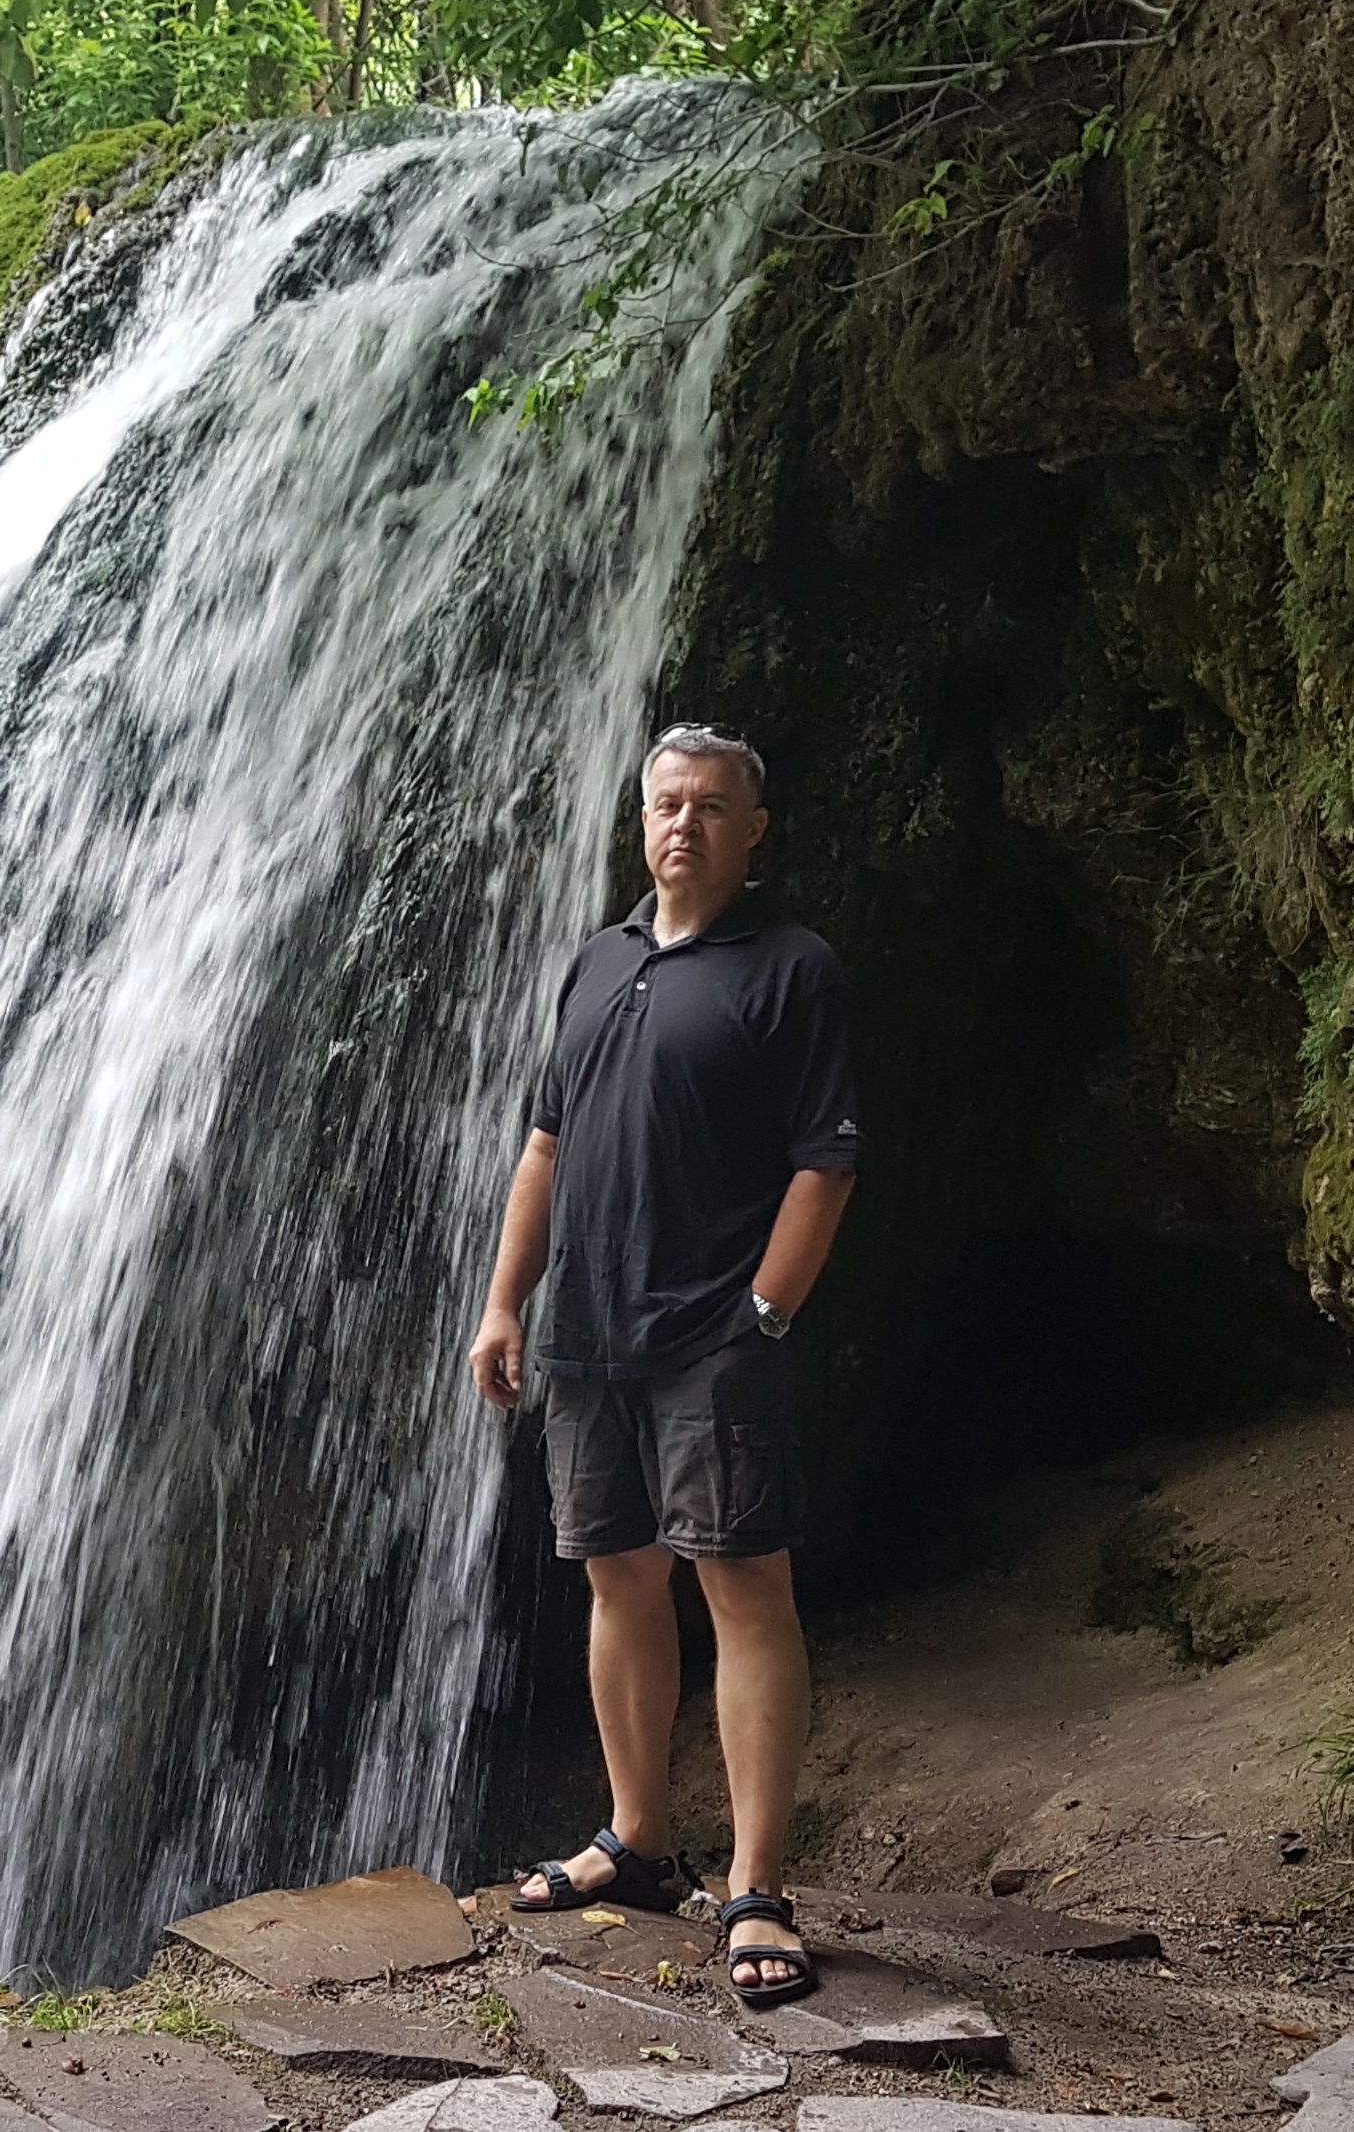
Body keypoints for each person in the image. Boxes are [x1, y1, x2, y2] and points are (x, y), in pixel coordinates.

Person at [469, 721, 857, 2007]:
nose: (684, 823)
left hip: (711, 1337)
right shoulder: (598, 960)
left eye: (711, 806)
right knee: (618, 1578)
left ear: (754, 829)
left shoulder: (791, 968)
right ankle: (636, 1839)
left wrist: (765, 1315)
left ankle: (757, 1887)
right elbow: (546, 1144)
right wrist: (505, 1303)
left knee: (744, 1587)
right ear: (642, 822)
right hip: (584, 1335)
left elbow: (825, 1162)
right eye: (667, 804)